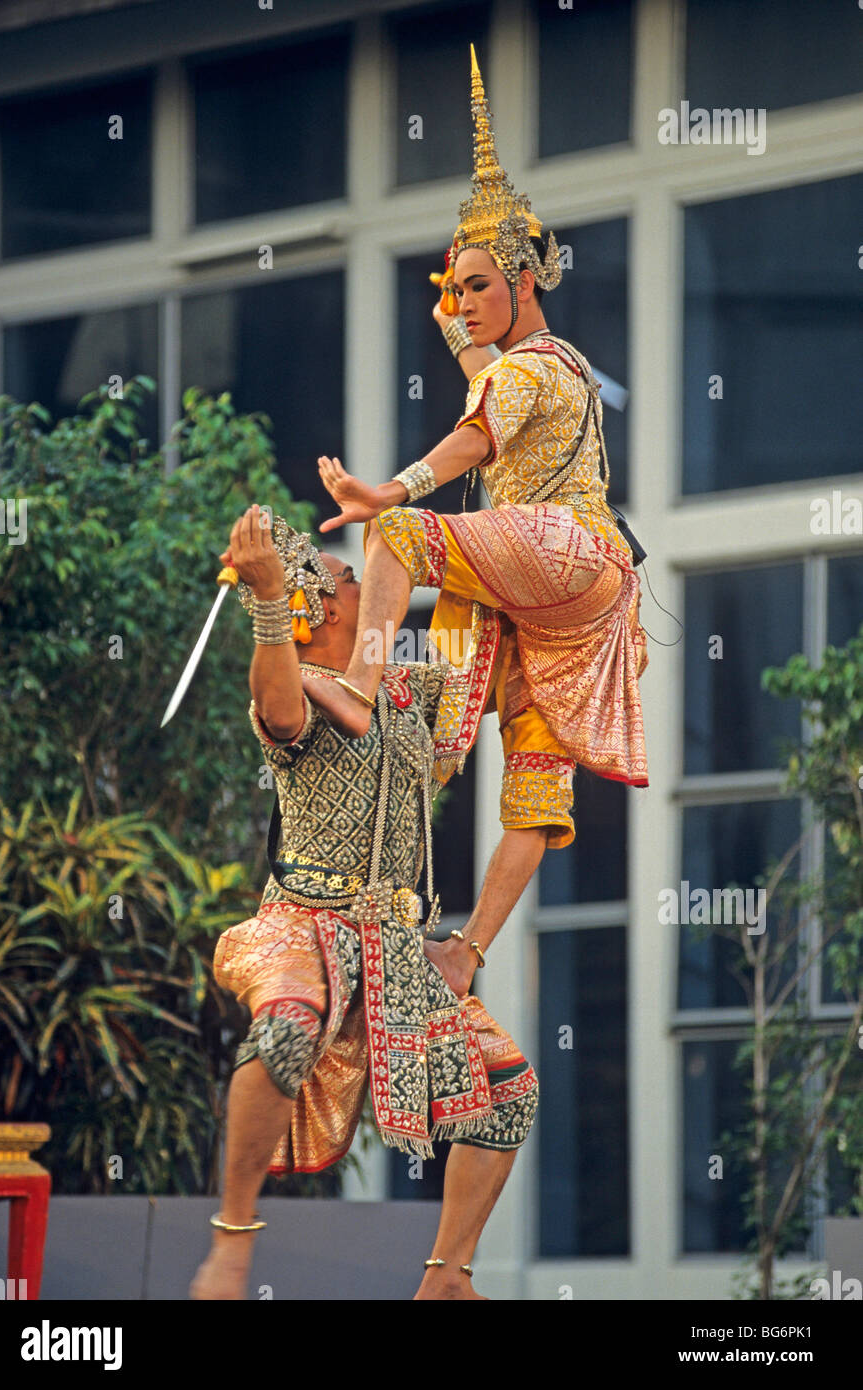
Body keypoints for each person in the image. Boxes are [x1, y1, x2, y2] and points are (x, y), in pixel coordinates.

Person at [302, 45, 650, 946]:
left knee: (402, 541)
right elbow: (485, 387)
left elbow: (475, 433)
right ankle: (470, 949)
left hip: (561, 550)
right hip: (580, 598)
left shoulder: (537, 366)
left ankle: (360, 685)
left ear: (527, 281)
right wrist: (460, 329)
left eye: (480, 286)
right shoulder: (541, 371)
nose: (464, 302)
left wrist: (387, 493)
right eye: (454, 289)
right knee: (536, 782)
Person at [189, 505, 539, 1301]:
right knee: (285, 1029)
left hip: (393, 942)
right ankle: (234, 1239)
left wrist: (555, 583)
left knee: (507, 1091)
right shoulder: (298, 684)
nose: (372, 587)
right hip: (303, 923)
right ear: (319, 610)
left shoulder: (403, 691)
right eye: (353, 579)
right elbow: (278, 709)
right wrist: (271, 598)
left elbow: (504, 673)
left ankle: (446, 1278)